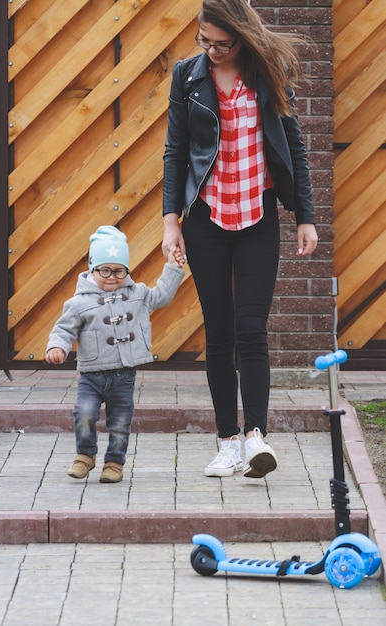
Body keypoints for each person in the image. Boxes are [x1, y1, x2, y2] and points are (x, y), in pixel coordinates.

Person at [162, 0, 318, 479]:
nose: (210, 50)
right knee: (220, 331)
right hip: (207, 219)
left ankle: (256, 438)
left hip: (258, 217)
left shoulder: (267, 72)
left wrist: (305, 217)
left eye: (221, 43)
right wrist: (172, 221)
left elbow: (293, 146)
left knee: (252, 329)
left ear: (242, 37)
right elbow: (176, 150)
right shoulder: (188, 76)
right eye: (203, 40)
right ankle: (227, 441)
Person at [45, 225, 185, 483]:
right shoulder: (79, 302)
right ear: (92, 268)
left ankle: (114, 463)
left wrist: (173, 267)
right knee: (84, 413)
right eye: (105, 270)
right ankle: (85, 455)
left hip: (123, 374)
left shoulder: (137, 294)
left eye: (119, 270)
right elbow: (63, 329)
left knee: (120, 421)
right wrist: (57, 347)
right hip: (91, 375)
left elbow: (163, 295)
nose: (112, 277)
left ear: (127, 270)